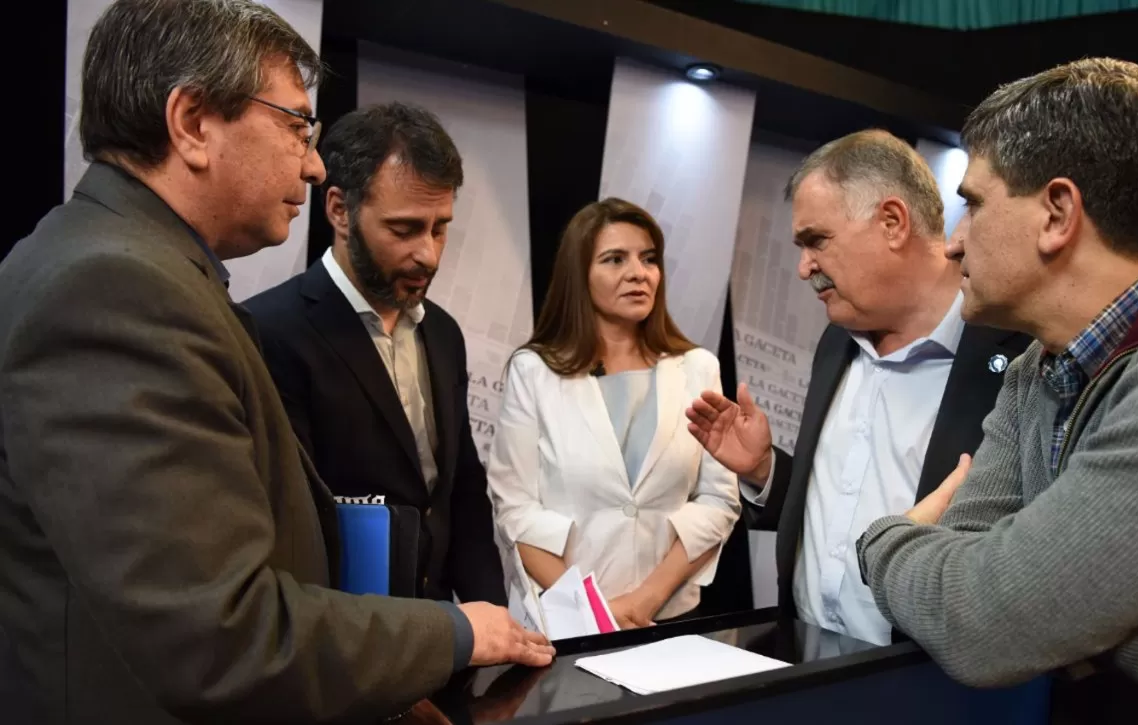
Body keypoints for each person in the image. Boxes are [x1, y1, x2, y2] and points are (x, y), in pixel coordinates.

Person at [0, 2, 550, 723]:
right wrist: (455, 632)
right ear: (193, 122)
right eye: (296, 123)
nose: (314, 160)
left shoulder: (134, 269)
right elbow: (220, 634)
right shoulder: (116, 290)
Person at [853, 58, 1138, 724]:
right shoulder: (1035, 365)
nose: (954, 244)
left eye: (973, 203)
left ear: (1057, 214)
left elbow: (985, 618)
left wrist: (882, 541)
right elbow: (995, 586)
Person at [684, 129, 1030, 646]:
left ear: (892, 222)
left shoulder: (1018, 359)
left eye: (816, 241)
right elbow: (840, 501)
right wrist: (765, 470)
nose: (804, 268)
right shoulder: (836, 340)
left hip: (924, 685)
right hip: (802, 666)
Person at [244, 102, 505, 606]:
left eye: (440, 227)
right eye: (404, 230)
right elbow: (290, 536)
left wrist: (491, 624)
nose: (428, 254)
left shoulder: (445, 334)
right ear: (339, 210)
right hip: (345, 653)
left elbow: (462, 494)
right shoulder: (270, 331)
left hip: (447, 641)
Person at [487, 198, 741, 628]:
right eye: (614, 259)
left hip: (666, 617)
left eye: (648, 259)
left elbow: (719, 499)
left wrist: (645, 599)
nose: (638, 273)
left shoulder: (699, 367)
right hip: (563, 622)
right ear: (579, 274)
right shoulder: (534, 371)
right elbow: (512, 507)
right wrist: (595, 608)